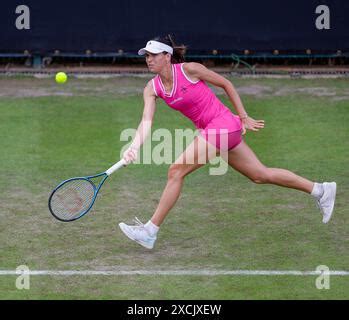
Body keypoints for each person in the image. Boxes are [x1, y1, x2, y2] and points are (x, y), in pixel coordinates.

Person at [118, 35, 337, 249]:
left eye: (153, 55)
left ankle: (149, 231)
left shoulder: (189, 69)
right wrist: (134, 146)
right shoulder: (152, 88)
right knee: (260, 175)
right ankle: (320, 190)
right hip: (216, 131)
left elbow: (225, 83)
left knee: (176, 170)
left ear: (167, 56)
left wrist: (243, 116)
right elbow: (146, 120)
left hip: (223, 125)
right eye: (146, 56)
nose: (149, 59)